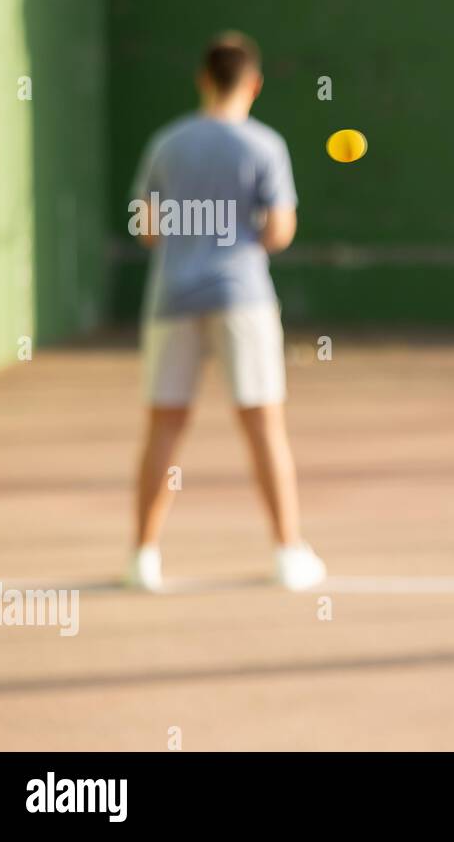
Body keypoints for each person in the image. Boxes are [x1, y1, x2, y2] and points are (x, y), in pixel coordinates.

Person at [126, 31, 325, 592]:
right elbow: (280, 232)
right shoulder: (265, 145)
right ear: (254, 84)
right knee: (263, 423)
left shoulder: (167, 143)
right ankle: (288, 554)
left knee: (164, 424)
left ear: (202, 78)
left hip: (171, 300)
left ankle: (142, 557)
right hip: (243, 299)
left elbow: (145, 229)